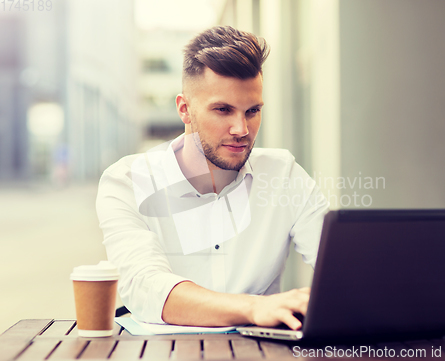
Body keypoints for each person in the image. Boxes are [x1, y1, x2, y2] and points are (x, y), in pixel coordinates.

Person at [96, 25, 329, 331]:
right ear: (185, 109)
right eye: (223, 109)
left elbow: (346, 271)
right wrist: (255, 307)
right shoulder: (126, 182)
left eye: (252, 110)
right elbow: (146, 288)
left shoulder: (283, 174)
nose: (241, 129)